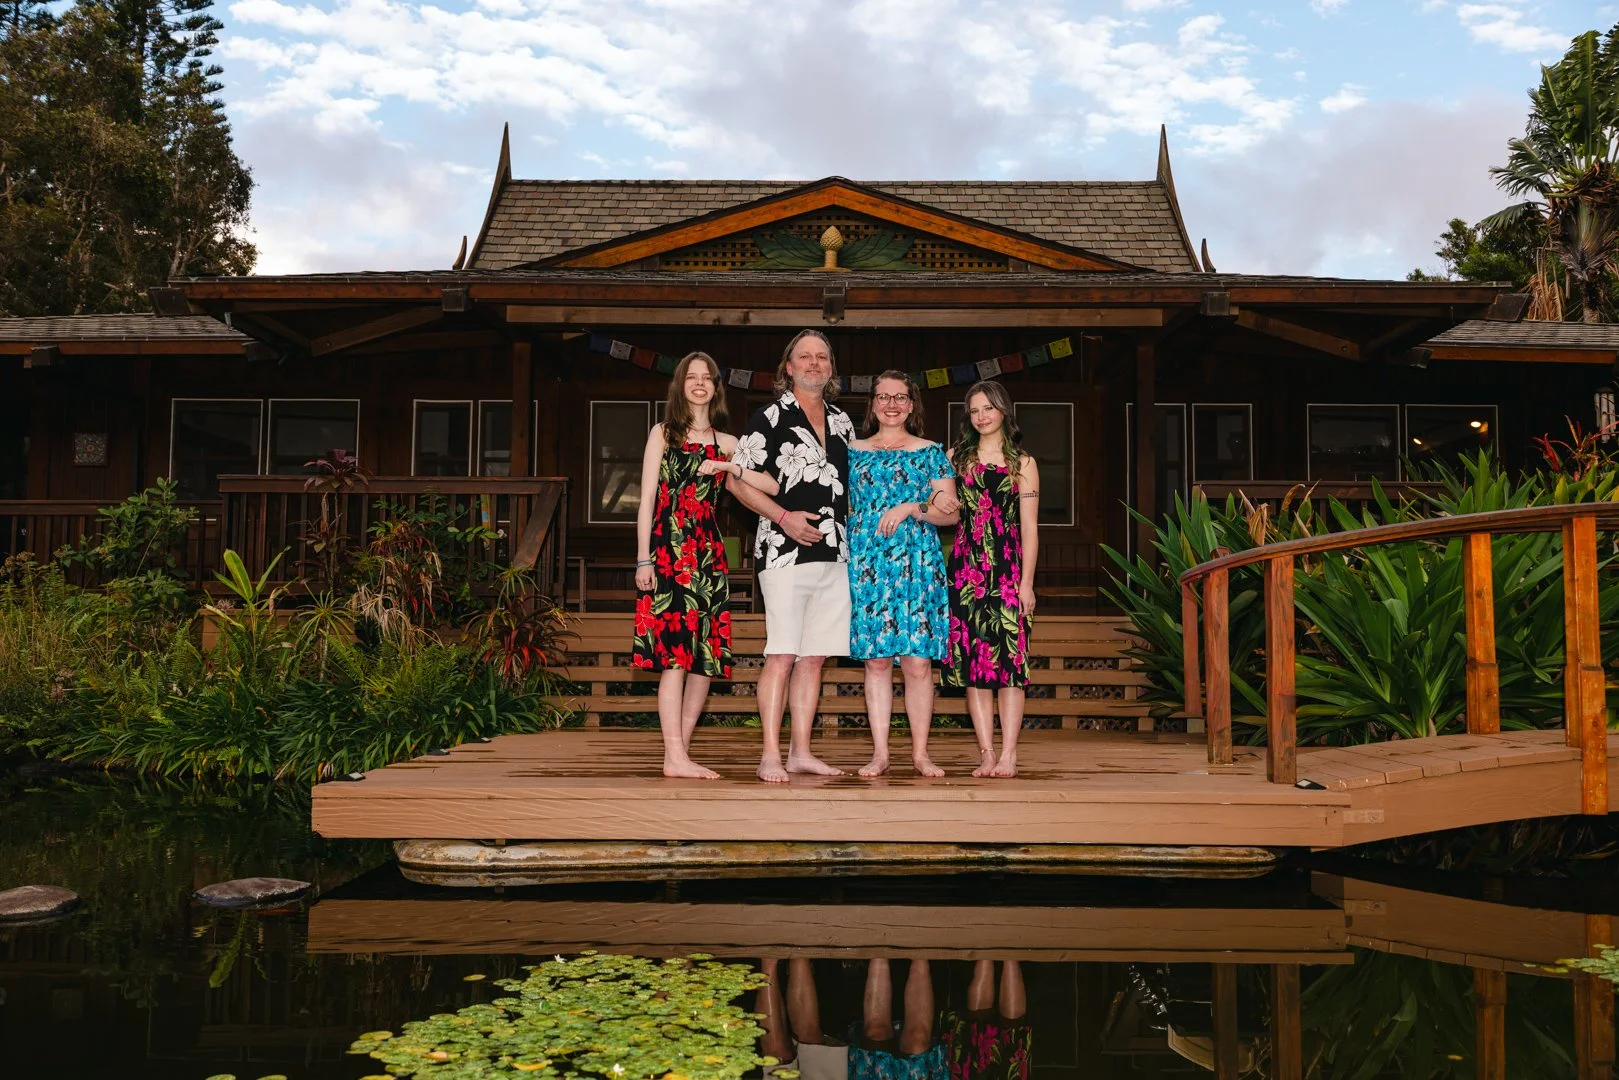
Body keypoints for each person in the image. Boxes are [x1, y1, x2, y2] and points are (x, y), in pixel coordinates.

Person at [632, 351, 775, 779]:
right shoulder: (663, 433)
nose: (699, 384)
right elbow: (646, 500)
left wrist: (731, 466)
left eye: (706, 378)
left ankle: (680, 753)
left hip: (708, 553)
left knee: (705, 659)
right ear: (680, 385)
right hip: (667, 551)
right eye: (691, 377)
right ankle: (674, 755)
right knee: (675, 656)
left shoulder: (728, 442)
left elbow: (773, 483)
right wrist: (643, 559)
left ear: (716, 387)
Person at [726, 329, 854, 783]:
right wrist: (782, 517)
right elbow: (736, 481)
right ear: (790, 367)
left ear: (831, 368)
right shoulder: (769, 416)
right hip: (784, 553)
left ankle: (801, 750)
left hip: (837, 553)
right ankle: (769, 755)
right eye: (806, 357)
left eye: (823, 357)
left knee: (815, 656)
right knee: (782, 653)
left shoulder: (843, 421)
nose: (815, 363)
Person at [847, 371, 960, 778]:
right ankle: (879, 753)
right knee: (876, 663)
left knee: (917, 664)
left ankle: (920, 753)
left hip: (917, 564)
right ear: (872, 402)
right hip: (868, 565)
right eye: (883, 396)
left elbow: (951, 511)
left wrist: (912, 507)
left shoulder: (930, 452)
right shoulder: (851, 451)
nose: (891, 404)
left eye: (900, 397)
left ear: (912, 404)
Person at [943, 380, 1040, 779]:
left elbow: (1031, 530)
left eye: (988, 408)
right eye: (974, 410)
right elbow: (940, 505)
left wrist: (1027, 584)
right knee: (975, 666)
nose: (981, 416)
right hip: (966, 569)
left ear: (1003, 411)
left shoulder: (1024, 463)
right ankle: (986, 753)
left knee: (1010, 666)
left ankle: (1009, 755)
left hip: (1008, 570)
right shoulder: (955, 458)